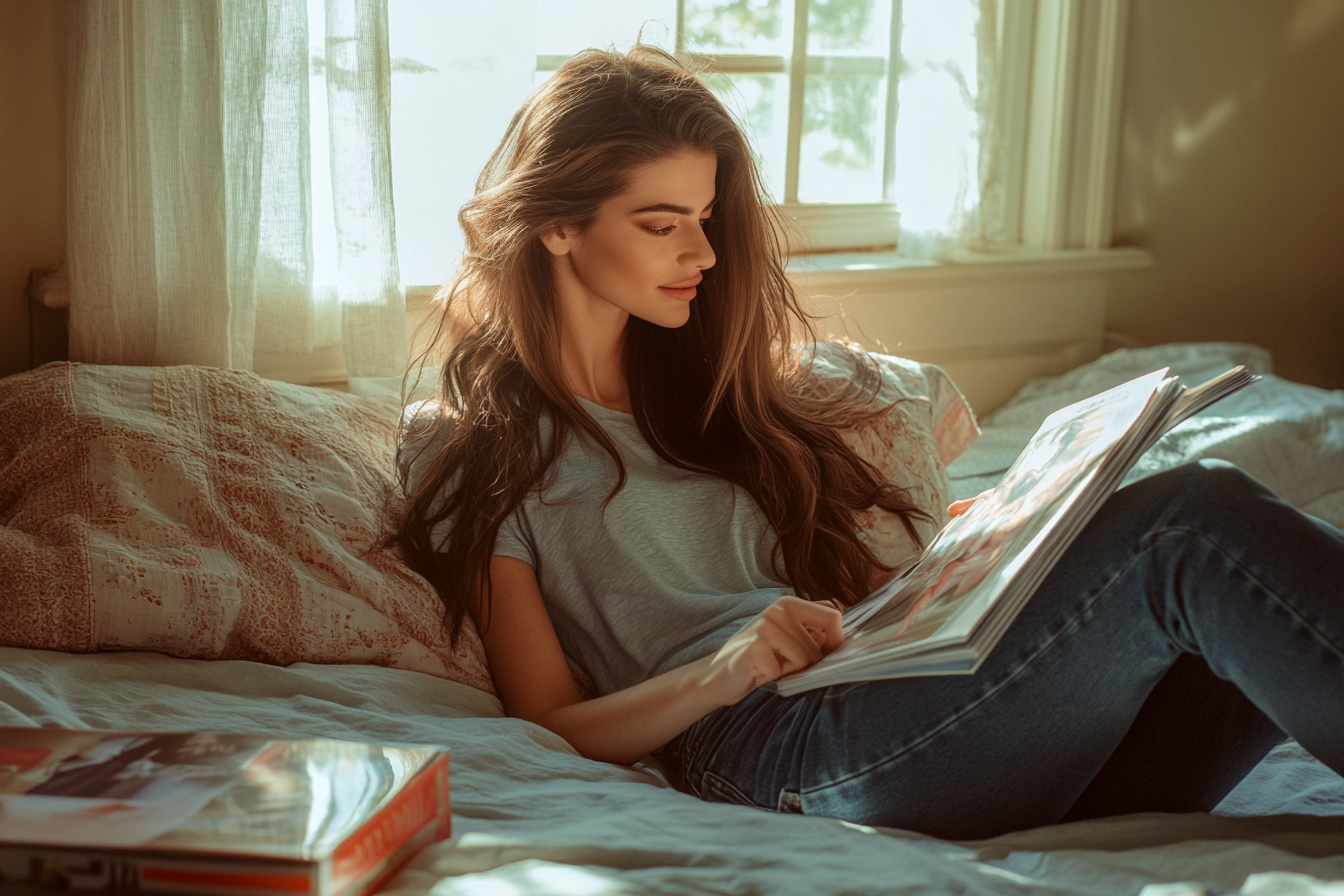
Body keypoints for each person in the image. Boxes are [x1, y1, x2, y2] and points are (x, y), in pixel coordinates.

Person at [391, 46, 1344, 840]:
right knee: (1189, 522)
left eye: (708, 221)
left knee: (1228, 609)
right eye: (661, 223)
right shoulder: (473, 440)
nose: (705, 255)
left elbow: (852, 607)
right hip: (770, 748)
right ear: (557, 224)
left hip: (892, 705)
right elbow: (550, 720)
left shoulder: (715, 396)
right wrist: (722, 672)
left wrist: (985, 554)